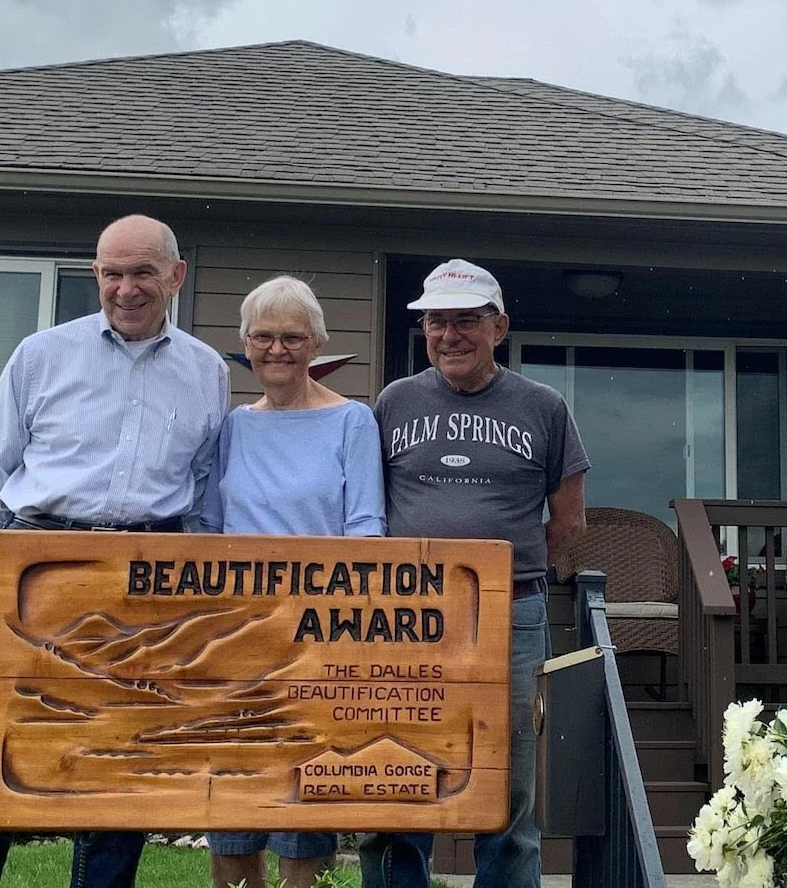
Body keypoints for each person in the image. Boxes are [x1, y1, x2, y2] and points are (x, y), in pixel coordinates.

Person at [0, 214, 230, 888]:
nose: (126, 289)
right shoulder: (41, 355)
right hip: (39, 566)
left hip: (146, 577)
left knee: (123, 760)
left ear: (176, 276)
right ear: (96, 274)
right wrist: (16, 564)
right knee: (0, 752)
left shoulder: (207, 370)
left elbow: (201, 490)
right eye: (112, 273)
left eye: (143, 273)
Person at [360, 259, 589, 888]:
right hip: (407, 614)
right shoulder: (394, 402)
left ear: (499, 328)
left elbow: (569, 520)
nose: (449, 335)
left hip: (510, 612)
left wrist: (497, 567)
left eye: (466, 320)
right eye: (436, 322)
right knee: (396, 766)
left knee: (506, 777)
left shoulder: (544, 406)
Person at [200, 275, 386, 888]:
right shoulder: (234, 426)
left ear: (317, 345)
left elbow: (365, 531)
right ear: (245, 345)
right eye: (263, 337)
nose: (276, 350)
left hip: (316, 638)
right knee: (231, 801)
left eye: (292, 337)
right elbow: (210, 528)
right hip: (234, 638)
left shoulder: (352, 422)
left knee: (303, 808)